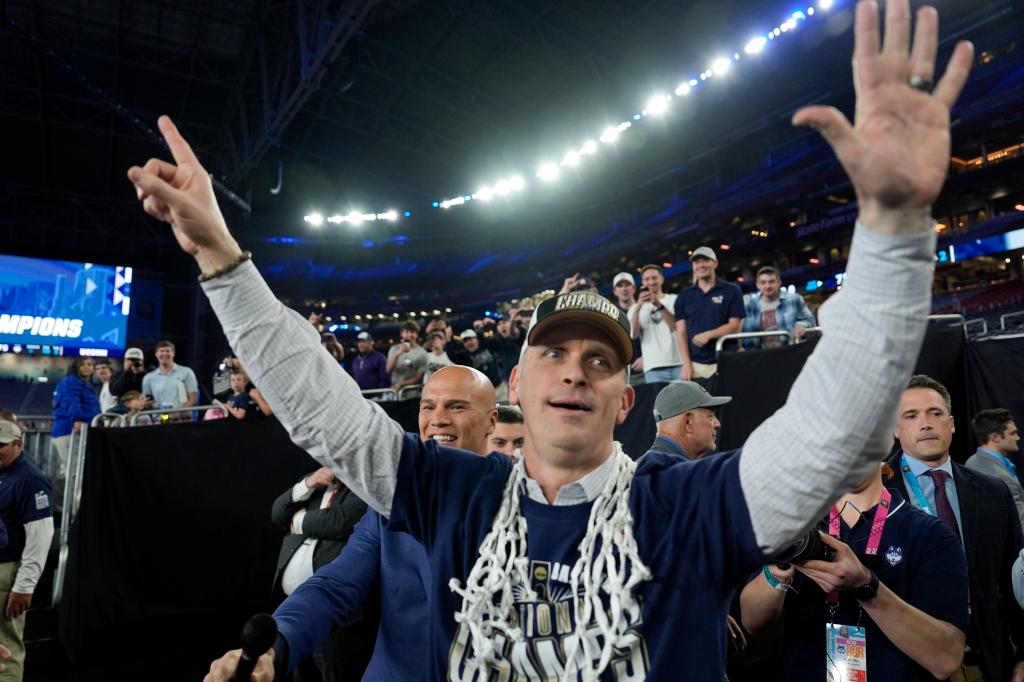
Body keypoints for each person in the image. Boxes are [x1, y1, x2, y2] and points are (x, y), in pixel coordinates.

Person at [131, 3, 974, 675]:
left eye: (601, 361)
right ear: (520, 388)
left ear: (625, 396)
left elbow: (831, 433)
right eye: (555, 355)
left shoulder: (684, 506)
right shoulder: (452, 494)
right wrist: (223, 261)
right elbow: (321, 410)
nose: (576, 372)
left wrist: (895, 233)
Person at [207, 366, 498, 681]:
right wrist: (276, 648)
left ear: (492, 421)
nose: (438, 418)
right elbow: (335, 585)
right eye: (428, 406)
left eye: (457, 406)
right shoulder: (389, 506)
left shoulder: (521, 502)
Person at [739, 462, 968, 681]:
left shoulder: (931, 535)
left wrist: (866, 586)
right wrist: (777, 572)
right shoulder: (799, 527)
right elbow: (751, 621)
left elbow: (946, 660)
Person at [885, 375, 1024, 681]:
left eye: (935, 413)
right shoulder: (875, 494)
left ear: (951, 423)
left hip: (988, 660)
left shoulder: (993, 492)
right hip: (906, 664)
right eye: (911, 416)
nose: (925, 423)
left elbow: (1014, 582)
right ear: (896, 429)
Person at [270, 467, 370, 682]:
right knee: (302, 675)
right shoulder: (315, 485)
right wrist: (309, 483)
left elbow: (339, 522)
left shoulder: (365, 484)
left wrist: (298, 522)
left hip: (336, 619)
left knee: (335, 673)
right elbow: (278, 513)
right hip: (297, 610)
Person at [0, 420, 54, 682]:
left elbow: (40, 537)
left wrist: (24, 586)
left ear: (18, 445)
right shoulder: (5, 473)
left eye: (1, 445)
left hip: (7, 573)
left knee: (5, 650)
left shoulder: (30, 480)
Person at [674, 247, 744, 380]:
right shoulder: (683, 297)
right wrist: (686, 364)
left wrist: (709, 334)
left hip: (726, 360)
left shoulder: (732, 291)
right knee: (699, 402)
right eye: (697, 262)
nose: (701, 265)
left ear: (715, 263)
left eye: (705, 260)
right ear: (693, 266)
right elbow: (681, 333)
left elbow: (735, 326)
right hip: (696, 365)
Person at [50, 357, 100, 506]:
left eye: (90, 364)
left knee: (70, 470)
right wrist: (77, 419)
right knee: (75, 470)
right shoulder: (72, 382)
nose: (86, 367)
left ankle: (66, 507)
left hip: (74, 430)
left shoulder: (84, 384)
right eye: (82, 364)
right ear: (75, 367)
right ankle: (74, 510)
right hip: (70, 430)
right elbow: (71, 401)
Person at [967, 408, 1024, 527]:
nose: (1017, 438)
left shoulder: (974, 461)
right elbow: (1019, 521)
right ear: (995, 437)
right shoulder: (997, 475)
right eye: (1012, 433)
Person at [645, 381, 730, 460]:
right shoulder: (672, 471)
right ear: (688, 421)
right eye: (710, 416)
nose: (718, 424)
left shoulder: (643, 466)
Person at [628, 264, 682, 383]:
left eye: (654, 278)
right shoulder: (634, 309)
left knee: (685, 401)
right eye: (647, 279)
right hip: (653, 367)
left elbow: (676, 327)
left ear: (662, 279)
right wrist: (638, 308)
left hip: (679, 362)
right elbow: (633, 335)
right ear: (642, 282)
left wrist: (658, 304)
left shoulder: (674, 300)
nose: (651, 282)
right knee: (660, 402)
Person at [741, 266, 817, 348]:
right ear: (758, 285)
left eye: (771, 282)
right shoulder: (751, 305)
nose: (767, 286)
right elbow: (746, 335)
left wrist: (801, 325)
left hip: (791, 350)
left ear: (779, 283)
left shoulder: (794, 299)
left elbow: (810, 320)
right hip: (762, 353)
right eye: (763, 282)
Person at [141, 340, 198, 410]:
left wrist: (179, 412)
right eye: (161, 351)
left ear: (173, 354)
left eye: (168, 351)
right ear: (156, 354)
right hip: (159, 418)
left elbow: (193, 398)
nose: (164, 353)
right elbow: (147, 401)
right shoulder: (148, 378)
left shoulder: (186, 372)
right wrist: (144, 403)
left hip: (182, 418)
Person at [386, 321, 428, 398]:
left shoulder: (422, 353)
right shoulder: (394, 349)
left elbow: (419, 377)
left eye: (412, 332)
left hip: (412, 393)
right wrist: (397, 353)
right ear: (401, 334)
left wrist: (401, 384)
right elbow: (388, 370)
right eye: (406, 331)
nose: (409, 335)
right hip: (394, 391)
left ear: (416, 334)